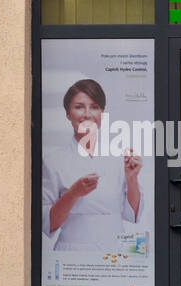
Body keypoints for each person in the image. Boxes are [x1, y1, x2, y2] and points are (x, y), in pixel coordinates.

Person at [41, 78, 143, 251]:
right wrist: (73, 194)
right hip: (72, 254)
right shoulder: (53, 161)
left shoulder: (120, 158)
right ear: (67, 114)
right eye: (79, 107)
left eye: (94, 107)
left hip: (114, 252)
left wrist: (132, 179)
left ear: (102, 113)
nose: (87, 114)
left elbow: (132, 216)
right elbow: (48, 224)